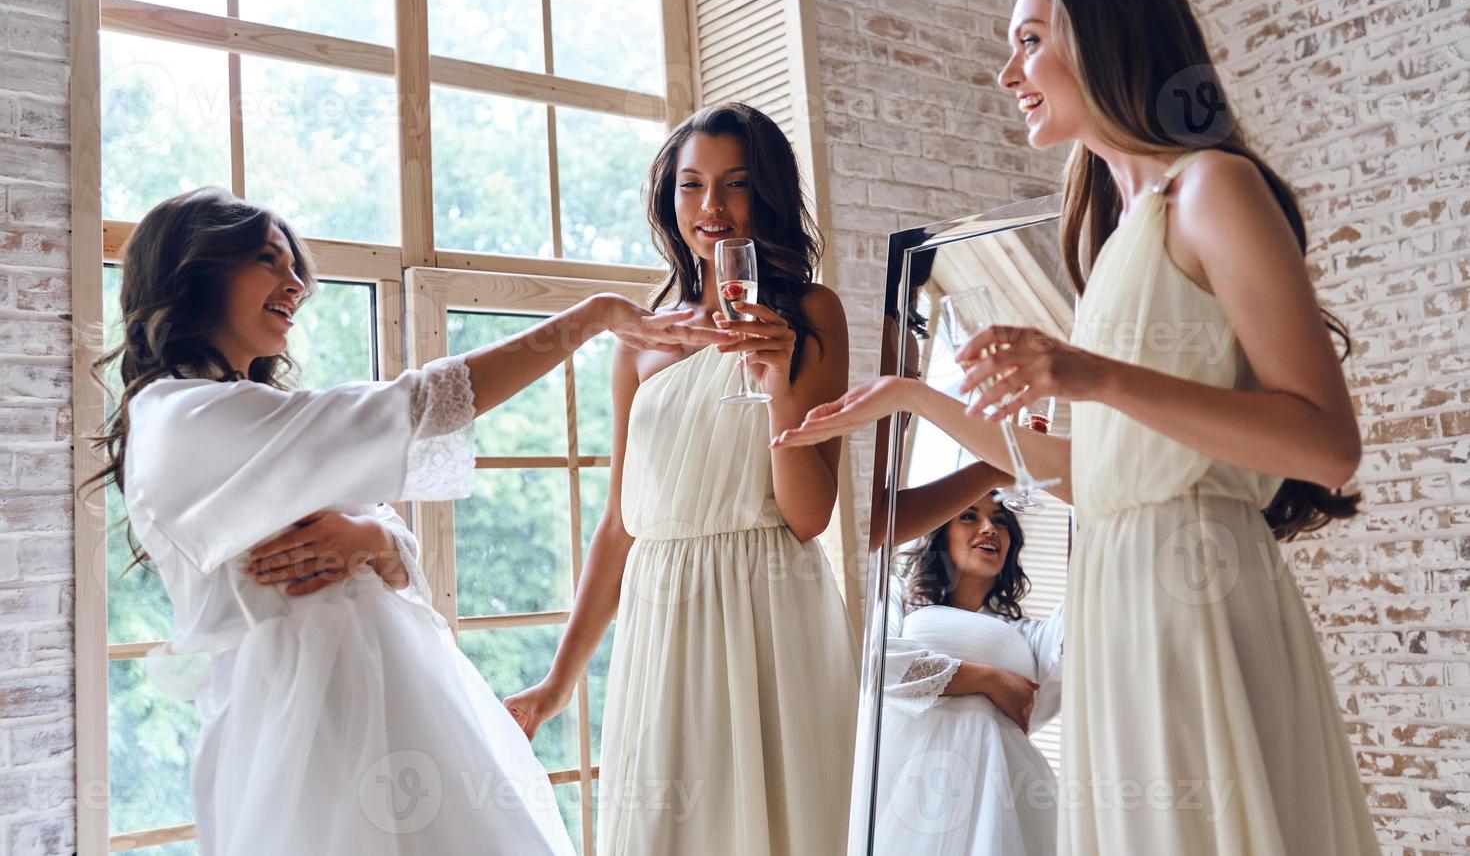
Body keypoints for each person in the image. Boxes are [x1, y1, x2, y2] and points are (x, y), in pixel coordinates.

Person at [775, 0, 1381, 855]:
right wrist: (908, 393)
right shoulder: (1116, 242)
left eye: (1028, 41)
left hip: (1197, 602)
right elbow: (1095, 475)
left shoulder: (1213, 189)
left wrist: (1086, 374)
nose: (1007, 71)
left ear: (1101, 41)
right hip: (1122, 600)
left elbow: (1327, 442)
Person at [85, 186, 722, 856]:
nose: (297, 284)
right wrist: (587, 319)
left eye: (295, 266)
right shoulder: (186, 418)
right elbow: (419, 405)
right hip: (310, 730)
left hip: (388, 707)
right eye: (270, 262)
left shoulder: (246, 412)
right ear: (196, 271)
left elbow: (388, 537)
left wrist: (377, 540)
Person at [503, 103, 859, 855]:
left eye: (734, 185)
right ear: (671, 202)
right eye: (691, 186)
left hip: (771, 611)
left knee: (782, 826)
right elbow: (620, 526)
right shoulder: (640, 341)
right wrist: (558, 685)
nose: (712, 209)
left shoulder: (813, 315)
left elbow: (807, 517)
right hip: (661, 623)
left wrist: (777, 382)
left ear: (766, 194)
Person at [877, 493, 1063, 855]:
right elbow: (880, 668)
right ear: (940, 531)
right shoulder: (897, 598)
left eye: (1001, 520)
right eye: (968, 516)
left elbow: (1057, 675)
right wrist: (987, 679)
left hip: (1005, 786)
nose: (989, 528)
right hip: (907, 781)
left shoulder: (1031, 635)